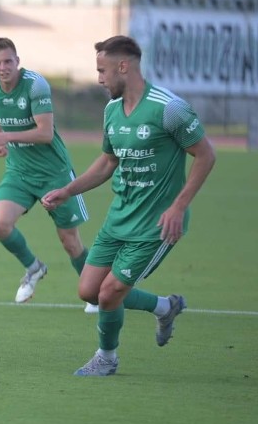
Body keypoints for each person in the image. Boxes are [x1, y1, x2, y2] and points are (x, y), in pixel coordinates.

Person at [42, 35, 216, 376]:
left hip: (157, 225)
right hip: (119, 217)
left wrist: (178, 207)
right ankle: (165, 307)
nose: (99, 78)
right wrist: (68, 190)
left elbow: (205, 155)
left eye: (102, 70)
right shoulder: (111, 110)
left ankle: (106, 359)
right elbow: (108, 163)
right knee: (89, 290)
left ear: (124, 66)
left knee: (109, 293)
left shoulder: (169, 108)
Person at [0, 37, 97, 312]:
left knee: (69, 241)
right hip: (19, 172)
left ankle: (95, 294)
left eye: (8, 61)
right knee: (0, 224)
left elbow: (45, 133)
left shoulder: (35, 85)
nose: (3, 67)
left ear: (18, 61)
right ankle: (34, 268)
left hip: (54, 174)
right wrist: (0, 139)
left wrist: (5, 135)